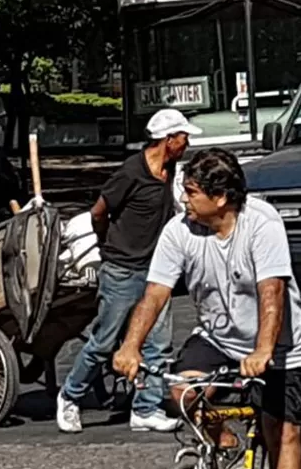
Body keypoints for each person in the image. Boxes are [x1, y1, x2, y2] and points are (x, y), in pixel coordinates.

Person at [114, 149, 301, 469]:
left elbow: (273, 292)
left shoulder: (262, 223)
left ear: (219, 198)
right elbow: (155, 294)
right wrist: (131, 347)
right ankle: (223, 440)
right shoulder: (179, 232)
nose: (183, 199)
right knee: (181, 393)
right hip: (217, 338)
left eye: (191, 192)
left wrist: (263, 350)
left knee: (281, 429)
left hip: (277, 345)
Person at [56, 108, 198, 433]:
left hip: (156, 273)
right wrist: (108, 243)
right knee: (105, 341)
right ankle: (70, 395)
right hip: (121, 270)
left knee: (157, 344)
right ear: (168, 140)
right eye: (183, 137)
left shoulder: (170, 168)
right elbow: (99, 212)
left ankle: (145, 409)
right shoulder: (131, 173)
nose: (187, 143)